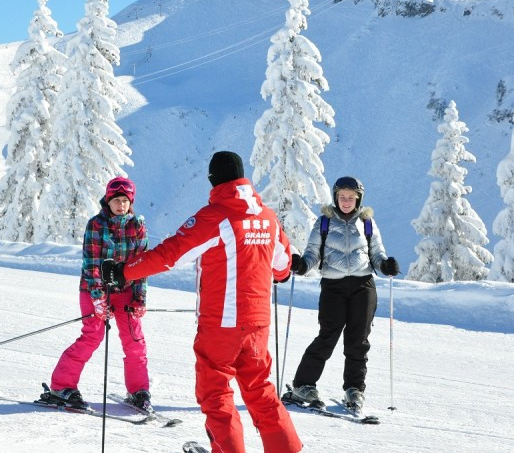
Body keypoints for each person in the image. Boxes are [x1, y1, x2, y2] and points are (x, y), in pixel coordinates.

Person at [104, 151, 302, 453]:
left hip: (222, 322)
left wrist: (124, 272)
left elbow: (171, 254)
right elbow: (283, 267)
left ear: (213, 180)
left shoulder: (215, 217)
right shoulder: (268, 217)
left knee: (216, 395)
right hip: (259, 325)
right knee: (261, 392)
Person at [288, 176, 399, 411]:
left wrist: (385, 266)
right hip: (333, 287)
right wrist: (301, 266)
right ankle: (303, 385)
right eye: (342, 197)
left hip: (363, 286)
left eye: (351, 197)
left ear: (358, 199)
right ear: (336, 197)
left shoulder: (367, 223)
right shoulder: (324, 222)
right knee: (327, 336)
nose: (346, 201)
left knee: (358, 340)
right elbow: (312, 254)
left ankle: (354, 390)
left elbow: (377, 254)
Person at [45, 177, 151, 411]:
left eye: (125, 200)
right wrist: (98, 297)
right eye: (116, 200)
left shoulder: (138, 225)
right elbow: (91, 263)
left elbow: (142, 264)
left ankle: (139, 391)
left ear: (130, 202)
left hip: (126, 289)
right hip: (95, 288)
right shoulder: (97, 224)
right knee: (93, 336)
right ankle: (62, 386)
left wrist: (139, 297)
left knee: (134, 340)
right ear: (108, 201)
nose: (120, 205)